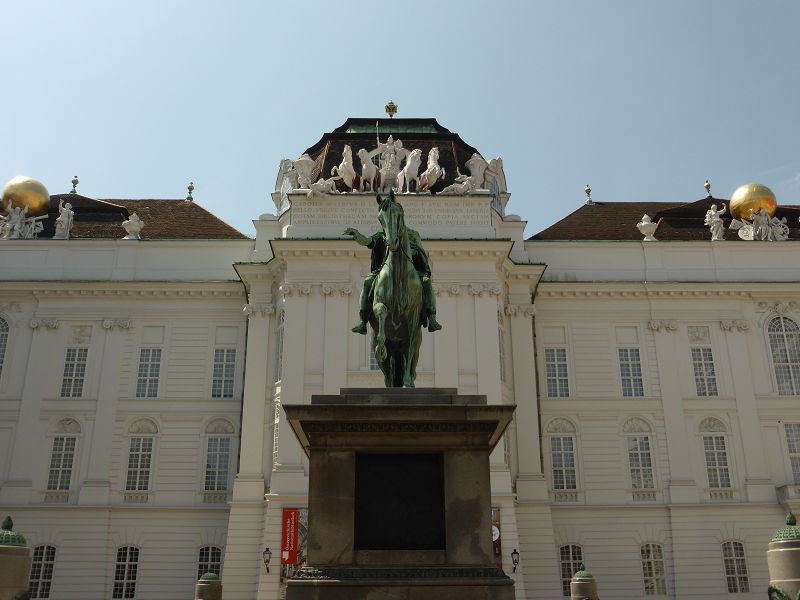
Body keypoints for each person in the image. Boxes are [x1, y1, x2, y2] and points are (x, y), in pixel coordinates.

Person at [345, 200, 442, 334]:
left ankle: (432, 317)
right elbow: (368, 242)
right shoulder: (383, 235)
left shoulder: (413, 234)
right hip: (385, 269)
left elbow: (420, 252)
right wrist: (357, 235)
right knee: (367, 282)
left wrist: (410, 251)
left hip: (410, 270)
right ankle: (363, 321)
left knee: (426, 282)